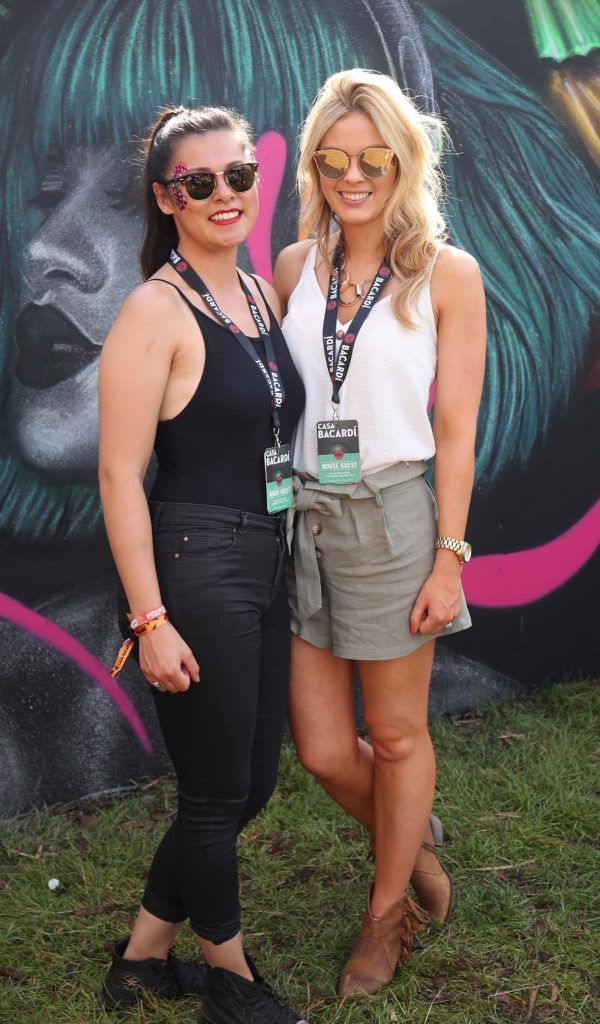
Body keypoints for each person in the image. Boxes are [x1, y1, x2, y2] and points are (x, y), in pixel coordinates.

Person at [274, 69, 486, 998]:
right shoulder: (291, 267)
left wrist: (451, 555)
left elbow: (456, 432)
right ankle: (415, 851)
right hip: (306, 517)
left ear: (405, 162)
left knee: (396, 737)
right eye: (334, 158)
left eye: (374, 159)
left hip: (397, 517)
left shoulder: (449, 273)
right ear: (314, 162)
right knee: (323, 747)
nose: (352, 176)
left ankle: (386, 909)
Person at [98, 105, 306, 1022]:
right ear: (166, 198)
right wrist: (149, 619)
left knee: (251, 780)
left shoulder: (257, 294)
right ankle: (230, 977)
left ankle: (144, 955)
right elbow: (117, 474)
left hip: (266, 556)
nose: (225, 195)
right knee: (217, 791)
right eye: (200, 183)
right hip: (197, 564)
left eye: (239, 176)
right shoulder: (153, 311)